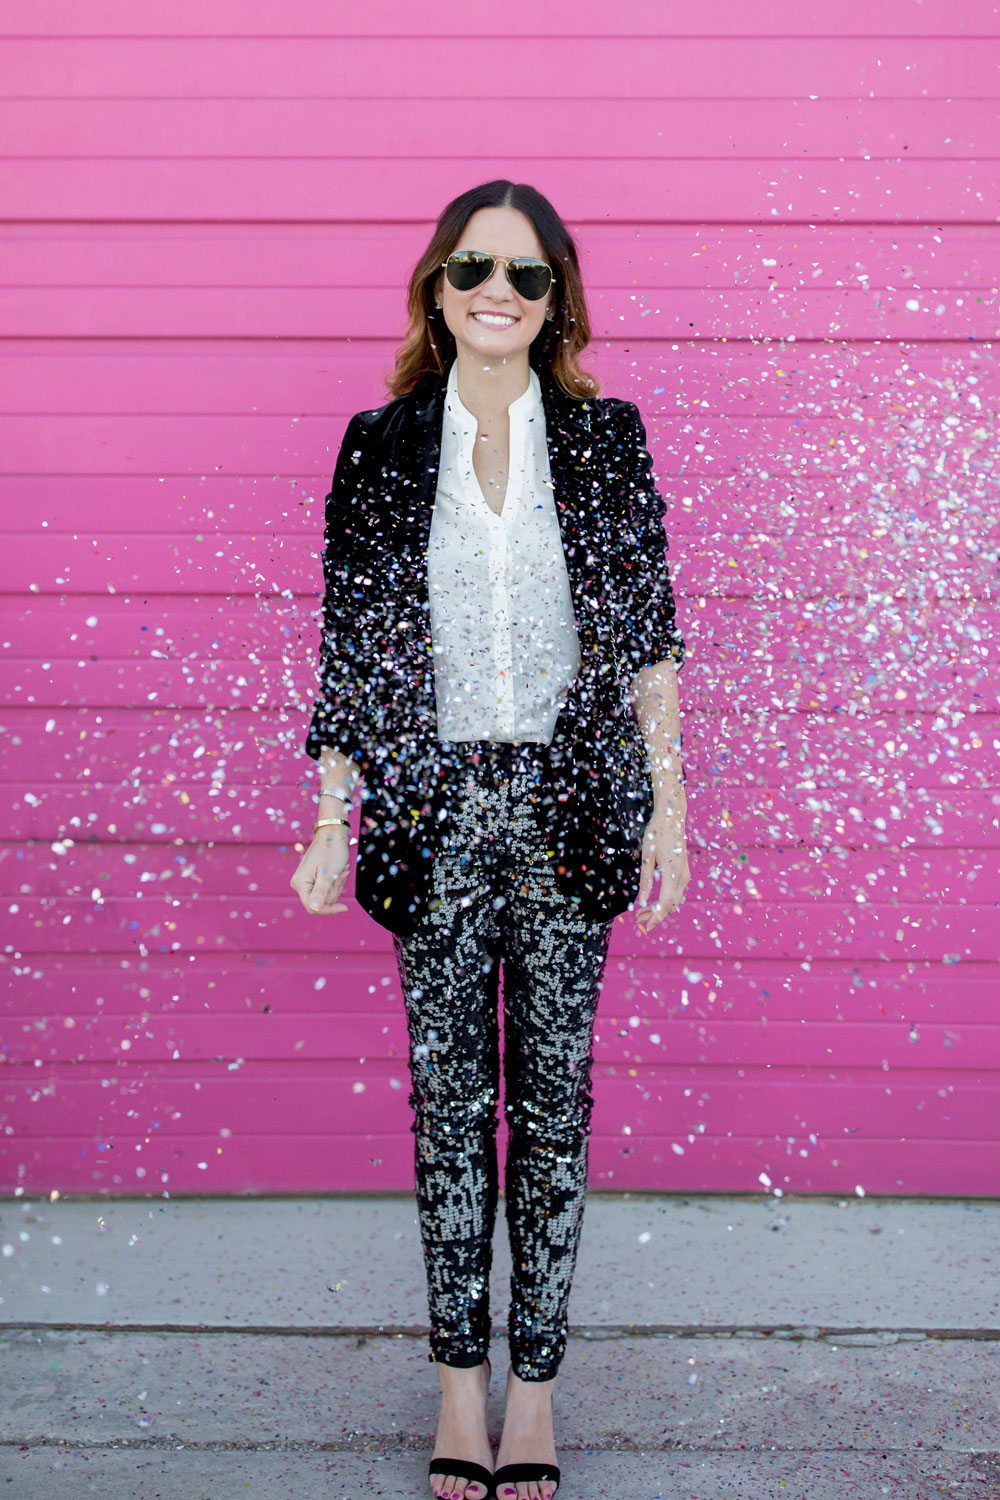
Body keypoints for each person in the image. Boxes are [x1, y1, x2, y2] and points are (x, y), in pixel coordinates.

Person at [291, 180, 689, 1500]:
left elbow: (645, 639)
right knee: (450, 1111)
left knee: (557, 1113)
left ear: (557, 294)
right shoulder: (381, 441)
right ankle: (457, 1385)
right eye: (474, 267)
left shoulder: (608, 436)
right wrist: (331, 818)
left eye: (526, 273)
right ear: (435, 285)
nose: (498, 291)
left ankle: (536, 1399)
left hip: (573, 810)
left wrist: (671, 816)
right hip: (432, 803)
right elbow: (355, 644)